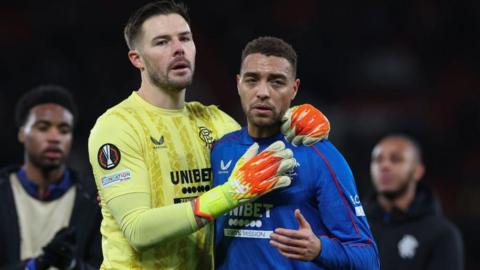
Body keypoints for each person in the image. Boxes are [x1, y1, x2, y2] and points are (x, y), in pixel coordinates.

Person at [87, 1, 329, 269]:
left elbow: (269, 162)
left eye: (185, 38)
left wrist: (297, 124)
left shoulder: (216, 122)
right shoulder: (117, 126)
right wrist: (229, 194)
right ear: (137, 59)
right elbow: (138, 230)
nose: (178, 49)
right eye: (162, 42)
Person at [212, 36, 379, 269]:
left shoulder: (320, 156)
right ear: (238, 84)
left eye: (276, 82)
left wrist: (320, 249)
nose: (262, 92)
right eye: (252, 80)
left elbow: (368, 258)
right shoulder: (219, 150)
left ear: (294, 89)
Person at [0, 85, 102, 270]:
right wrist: (34, 266)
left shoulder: (93, 200)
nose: (54, 137)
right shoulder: (3, 192)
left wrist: (72, 265)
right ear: (22, 133)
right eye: (43, 128)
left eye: (64, 130)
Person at [366, 134, 464, 270]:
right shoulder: (356, 225)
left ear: (417, 171)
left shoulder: (441, 234)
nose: (384, 166)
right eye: (378, 160)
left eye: (396, 159)